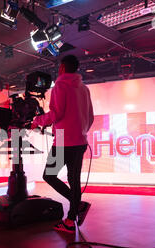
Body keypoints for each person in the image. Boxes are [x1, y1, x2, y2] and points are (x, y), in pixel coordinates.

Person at [31, 54, 94, 234]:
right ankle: (72, 216)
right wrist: (81, 132)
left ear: (63, 68)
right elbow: (90, 117)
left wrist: (37, 120)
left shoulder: (60, 85)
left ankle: (76, 208)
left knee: (49, 176)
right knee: (74, 181)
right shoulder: (84, 88)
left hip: (63, 142)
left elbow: (56, 113)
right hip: (80, 141)